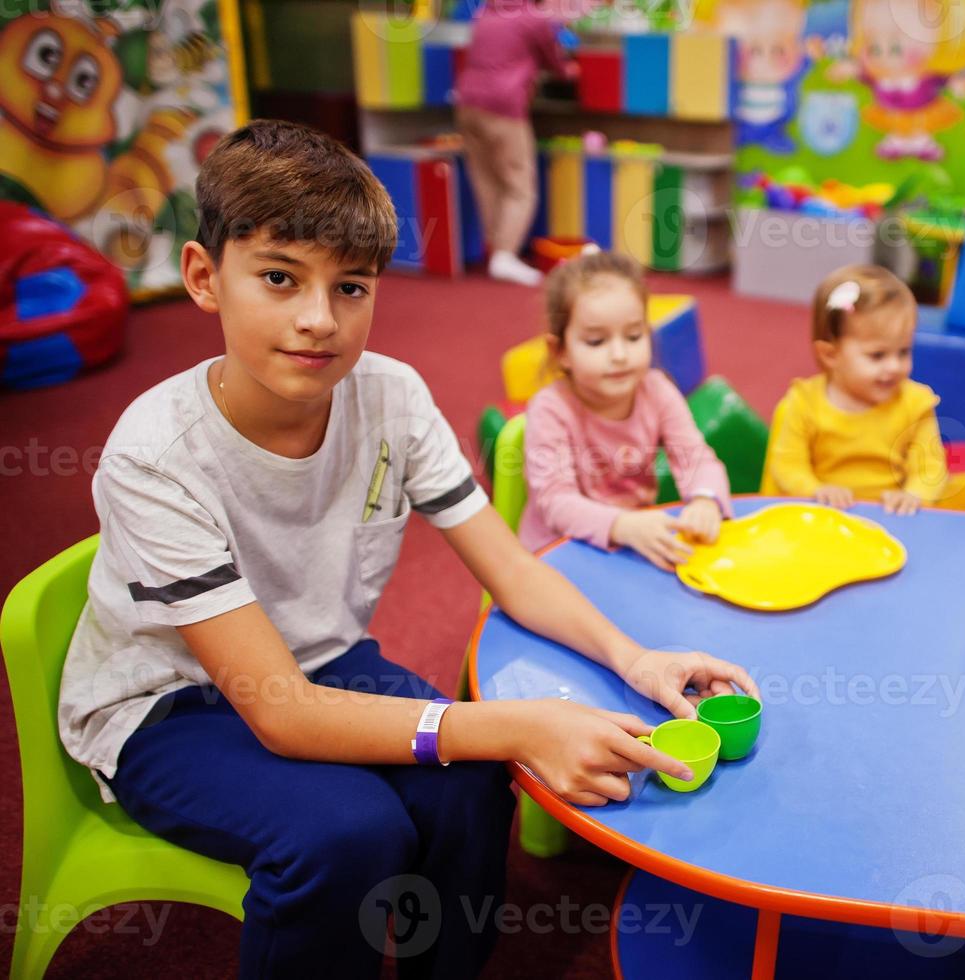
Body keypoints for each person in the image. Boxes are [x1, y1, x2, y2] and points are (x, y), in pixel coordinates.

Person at [56, 120, 755, 978]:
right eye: (279, 279)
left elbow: (509, 569)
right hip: (166, 706)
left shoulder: (391, 396)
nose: (318, 320)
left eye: (350, 288)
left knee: (467, 788)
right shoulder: (154, 455)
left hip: (321, 659)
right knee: (348, 832)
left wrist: (633, 657)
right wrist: (520, 726)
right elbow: (279, 712)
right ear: (205, 277)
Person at [520, 250, 732, 569]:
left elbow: (696, 457)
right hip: (557, 555)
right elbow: (556, 503)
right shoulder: (551, 410)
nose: (619, 354)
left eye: (634, 336)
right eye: (596, 342)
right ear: (560, 350)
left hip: (632, 545)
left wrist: (705, 498)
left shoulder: (657, 390)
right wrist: (622, 526)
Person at [761, 264, 947, 515]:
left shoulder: (916, 404)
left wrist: (913, 495)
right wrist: (816, 490)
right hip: (823, 516)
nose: (894, 366)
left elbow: (930, 468)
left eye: (903, 351)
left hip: (891, 518)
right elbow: (787, 465)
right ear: (830, 354)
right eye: (877, 355)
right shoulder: (805, 402)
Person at [454, 0, 575, 286]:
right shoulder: (532, 18)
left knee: (487, 178)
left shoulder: (486, 12)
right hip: (503, 105)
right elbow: (556, 63)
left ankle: (496, 249)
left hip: (467, 103)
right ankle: (505, 256)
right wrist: (571, 70)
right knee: (520, 184)